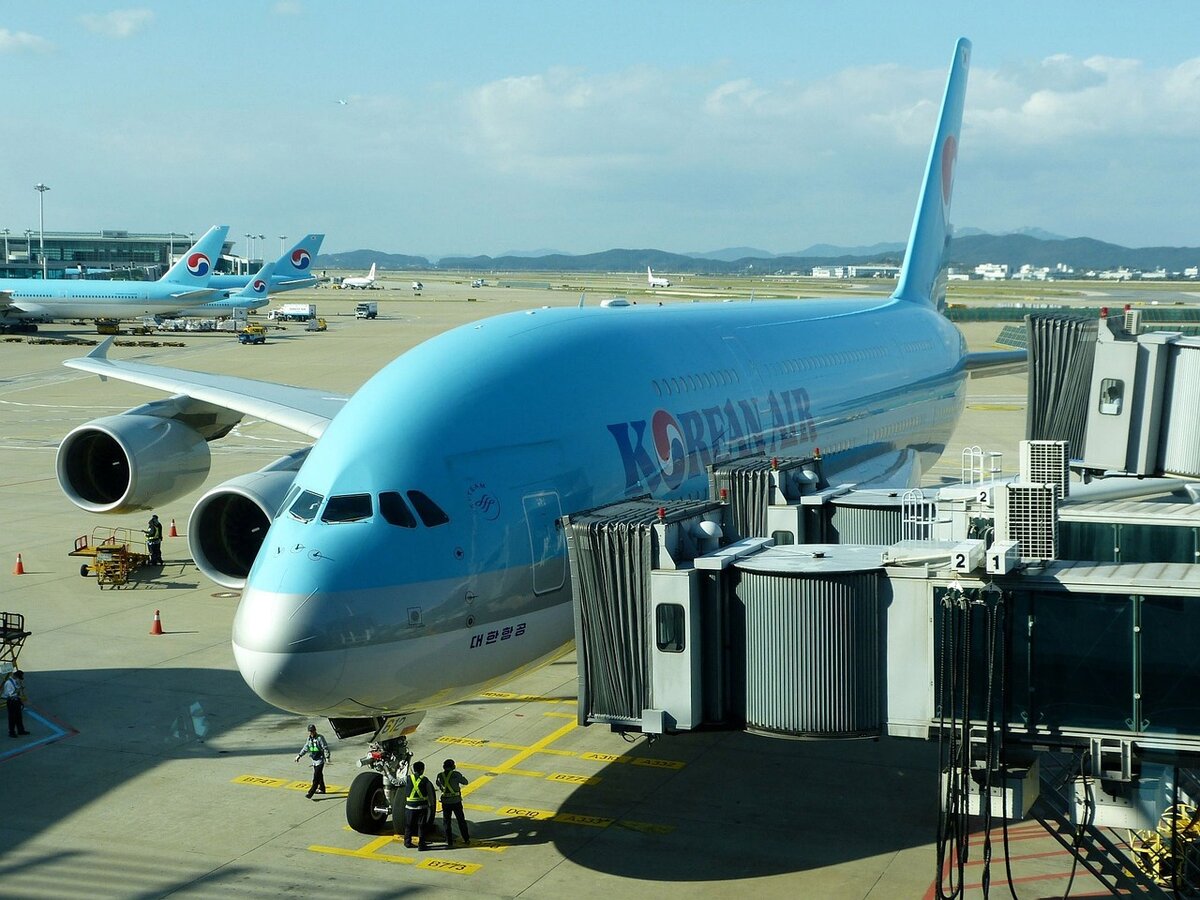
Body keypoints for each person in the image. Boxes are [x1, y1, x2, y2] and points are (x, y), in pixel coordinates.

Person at [398, 759, 435, 850]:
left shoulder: (407, 778)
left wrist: (398, 770)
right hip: (422, 808)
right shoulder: (425, 780)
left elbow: (397, 781)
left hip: (409, 808)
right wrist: (432, 805)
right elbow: (430, 794)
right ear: (422, 770)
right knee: (421, 826)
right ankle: (421, 845)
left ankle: (407, 843)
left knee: (408, 826)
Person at [437, 758, 470, 847]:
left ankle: (449, 840)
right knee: (461, 820)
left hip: (446, 802)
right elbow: (465, 782)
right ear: (453, 766)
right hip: (456, 801)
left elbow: (438, 784)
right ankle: (466, 838)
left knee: (447, 822)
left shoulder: (440, 775)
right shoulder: (456, 774)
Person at [294, 723, 330, 799]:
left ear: (315, 730)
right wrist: (299, 756)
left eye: (313, 731)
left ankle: (311, 793)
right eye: (310, 731)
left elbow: (325, 747)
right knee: (319, 775)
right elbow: (306, 747)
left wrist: (327, 757)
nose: (312, 732)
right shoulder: (309, 739)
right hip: (314, 760)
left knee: (316, 777)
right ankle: (322, 789)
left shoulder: (320, 738)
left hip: (320, 760)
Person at [3, 669, 29, 738]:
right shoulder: (8, 683)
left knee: (19, 716)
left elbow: (16, 689)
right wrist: (18, 690)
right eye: (18, 678)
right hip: (12, 701)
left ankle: (21, 730)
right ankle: (11, 732)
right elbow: (10, 694)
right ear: (15, 676)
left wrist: (20, 687)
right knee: (12, 718)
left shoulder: (14, 681)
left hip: (16, 700)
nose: (19, 679)